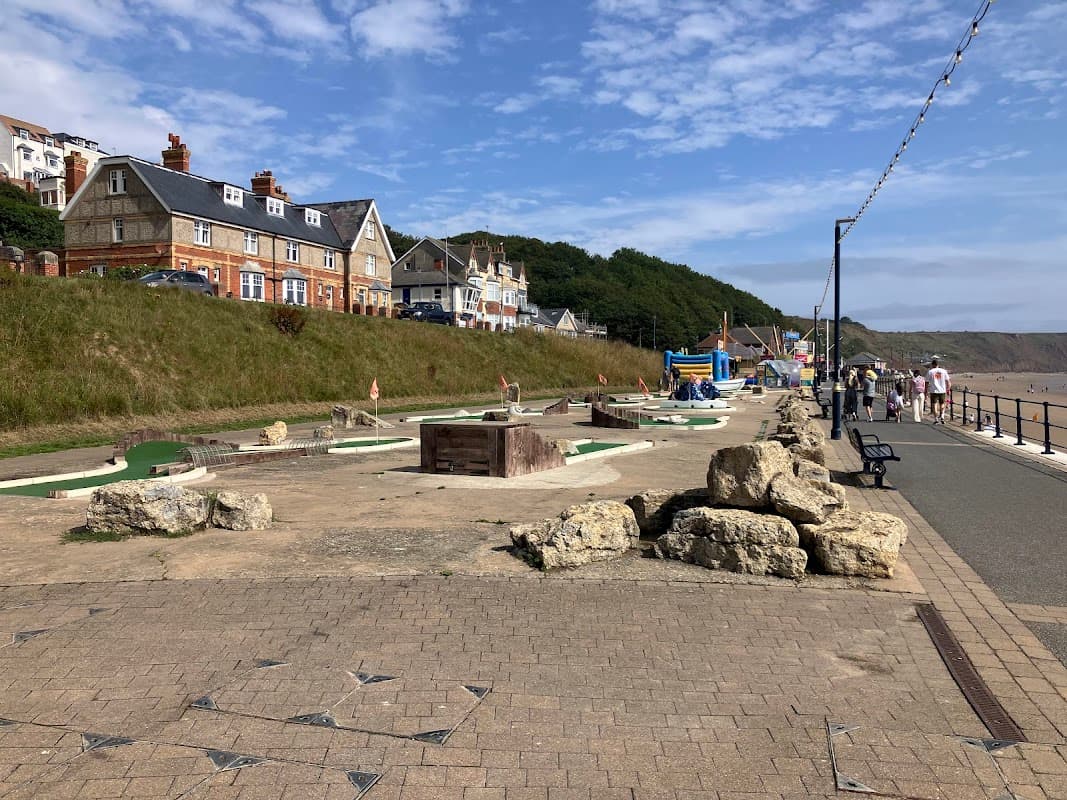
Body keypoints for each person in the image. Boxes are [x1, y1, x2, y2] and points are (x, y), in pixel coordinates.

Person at [926, 358, 951, 424]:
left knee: (934, 404)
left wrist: (926, 391)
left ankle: (936, 419)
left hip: (933, 390)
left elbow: (926, 382)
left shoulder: (930, 371)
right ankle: (942, 416)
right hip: (942, 390)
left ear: (932, 364)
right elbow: (948, 381)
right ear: (938, 364)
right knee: (942, 404)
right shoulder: (944, 371)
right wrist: (948, 389)